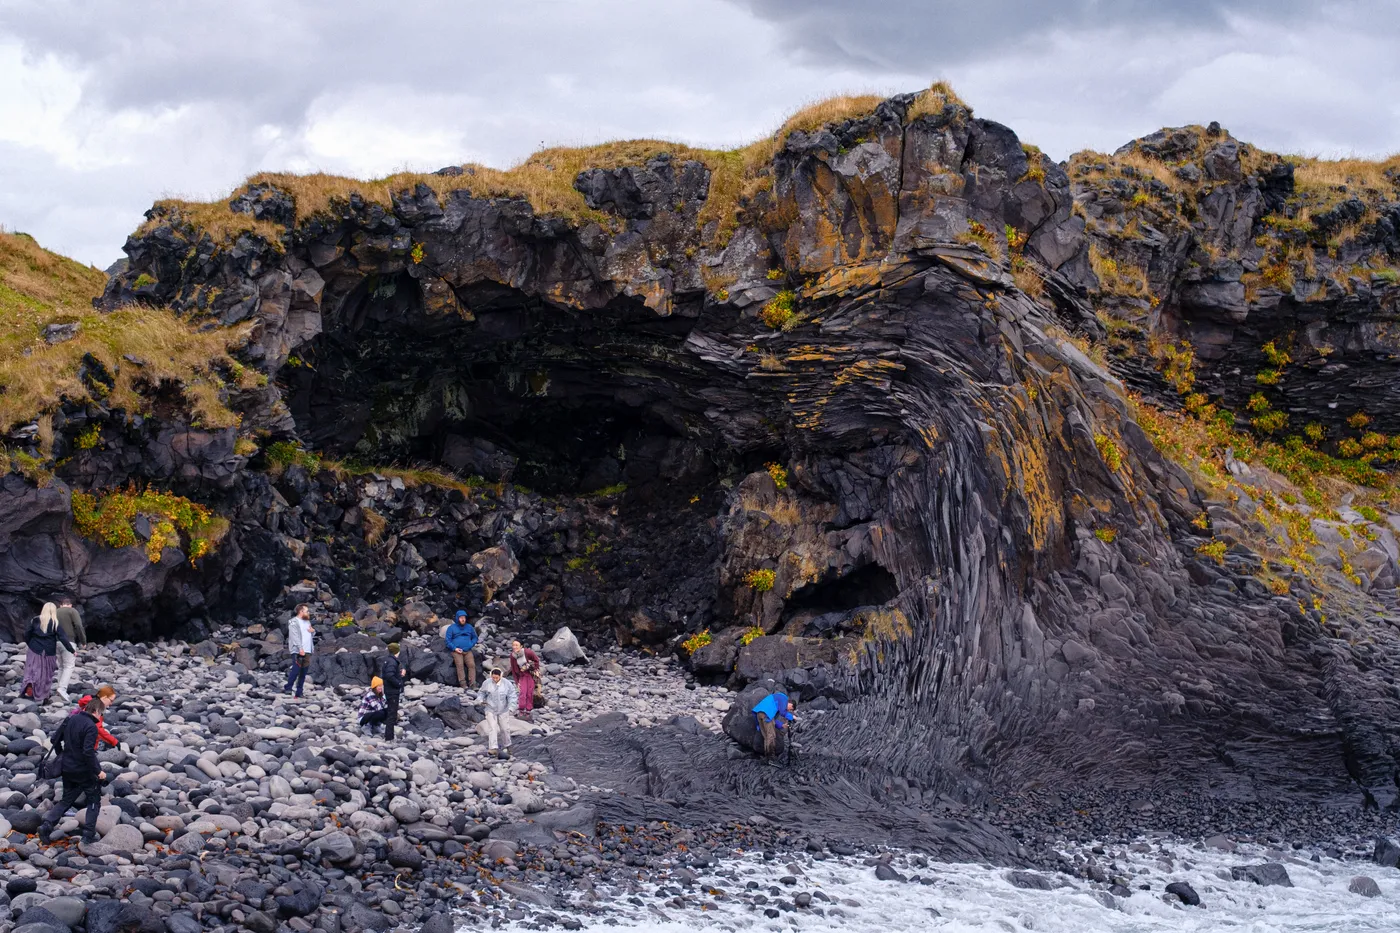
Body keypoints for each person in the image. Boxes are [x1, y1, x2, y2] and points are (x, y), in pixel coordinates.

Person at [37, 695, 107, 844]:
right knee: (94, 799)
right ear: (95, 711)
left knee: (66, 799)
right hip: (83, 770)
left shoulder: (70, 719)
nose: (100, 716)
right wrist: (98, 771)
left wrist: (61, 754)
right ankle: (88, 835)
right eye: (101, 713)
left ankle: (47, 825)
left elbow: (54, 739)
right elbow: (88, 752)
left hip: (67, 768)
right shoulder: (90, 727)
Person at [20, 603, 74, 703]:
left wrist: (30, 644)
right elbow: (63, 638)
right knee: (45, 673)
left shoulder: (35, 620)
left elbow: (27, 633)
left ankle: (29, 685)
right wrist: (72, 650)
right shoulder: (55, 623)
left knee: (31, 670)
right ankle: (41, 694)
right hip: (48, 651)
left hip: (34, 649)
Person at [476, 668, 518, 758]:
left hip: (503, 709)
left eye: (496, 678)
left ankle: (507, 745)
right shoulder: (487, 683)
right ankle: (493, 748)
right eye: (493, 677)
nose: (495, 679)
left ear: (500, 676)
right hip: (490, 708)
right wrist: (480, 700)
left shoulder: (507, 684)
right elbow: (481, 693)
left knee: (505, 728)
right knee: (492, 728)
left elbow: (512, 696)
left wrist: (511, 707)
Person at [54, 597, 87, 703]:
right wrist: (83, 640)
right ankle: (62, 689)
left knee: (61, 666)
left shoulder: (55, 611)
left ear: (61, 604)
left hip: (55, 641)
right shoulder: (72, 611)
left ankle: (58, 688)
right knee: (69, 666)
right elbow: (78, 625)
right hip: (68, 641)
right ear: (70, 605)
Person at [70, 685, 119, 750]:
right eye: (111, 700)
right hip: (84, 747)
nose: (111, 703)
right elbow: (98, 729)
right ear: (104, 697)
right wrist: (114, 742)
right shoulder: (95, 708)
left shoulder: (89, 702)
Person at [751, 691, 796, 759]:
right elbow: (782, 712)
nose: (789, 711)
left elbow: (773, 719)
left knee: (766, 737)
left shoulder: (776, 701)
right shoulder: (783, 698)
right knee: (771, 736)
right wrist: (792, 717)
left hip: (759, 714)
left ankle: (767, 756)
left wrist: (781, 725)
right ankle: (771, 757)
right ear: (790, 704)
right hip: (766, 714)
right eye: (791, 709)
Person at [377, 643, 408, 740]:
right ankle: (389, 737)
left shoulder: (388, 660)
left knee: (391, 712)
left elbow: (388, 673)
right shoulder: (392, 662)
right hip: (392, 691)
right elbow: (389, 675)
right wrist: (398, 683)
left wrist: (400, 673)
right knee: (392, 713)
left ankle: (389, 734)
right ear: (397, 651)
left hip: (389, 690)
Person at [283, 604, 314, 698]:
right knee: (296, 670)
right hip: (298, 650)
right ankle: (288, 688)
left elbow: (309, 634)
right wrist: (300, 648)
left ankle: (299, 691)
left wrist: (313, 631)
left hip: (308, 649)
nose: (308, 613)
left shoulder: (307, 622)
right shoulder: (293, 622)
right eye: (307, 611)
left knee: (303, 672)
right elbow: (294, 636)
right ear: (301, 612)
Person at [445, 610, 479, 689]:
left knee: (472, 665)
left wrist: (471, 644)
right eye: (461, 618)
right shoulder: (451, 628)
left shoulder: (469, 627)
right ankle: (463, 683)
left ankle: (473, 683)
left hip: (467, 650)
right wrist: (454, 648)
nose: (463, 619)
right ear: (457, 618)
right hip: (457, 651)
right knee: (460, 665)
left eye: (464, 617)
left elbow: (475, 637)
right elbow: (447, 640)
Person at [509, 640, 541, 720]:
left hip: (530, 675)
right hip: (522, 676)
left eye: (516, 645)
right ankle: (521, 709)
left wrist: (528, 666)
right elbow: (513, 669)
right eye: (513, 645)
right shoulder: (512, 656)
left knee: (529, 693)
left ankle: (528, 710)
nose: (514, 647)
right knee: (522, 692)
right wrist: (517, 682)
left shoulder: (528, 652)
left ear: (521, 646)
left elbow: (536, 661)